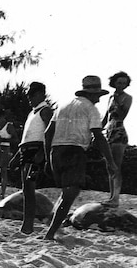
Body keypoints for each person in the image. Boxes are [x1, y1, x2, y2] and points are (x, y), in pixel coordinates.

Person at [43, 75, 118, 241]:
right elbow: (99, 136)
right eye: (98, 96)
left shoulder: (63, 106)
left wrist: (48, 158)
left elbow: (48, 133)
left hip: (56, 151)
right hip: (74, 152)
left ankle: (52, 222)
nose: (98, 100)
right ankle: (50, 233)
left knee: (66, 192)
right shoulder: (90, 109)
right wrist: (110, 161)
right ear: (92, 94)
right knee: (71, 193)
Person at [15, 82, 54, 234]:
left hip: (35, 151)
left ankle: (28, 225)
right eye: (29, 95)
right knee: (26, 189)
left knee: (30, 188)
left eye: (33, 94)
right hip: (26, 151)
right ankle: (27, 224)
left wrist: (43, 153)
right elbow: (27, 136)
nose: (30, 98)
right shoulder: (32, 113)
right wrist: (17, 156)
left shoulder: (45, 111)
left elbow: (50, 132)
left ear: (41, 94)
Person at [101, 71, 132, 207]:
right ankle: (111, 196)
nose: (121, 86)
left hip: (119, 132)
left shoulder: (127, 97)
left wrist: (118, 99)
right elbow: (106, 117)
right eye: (119, 83)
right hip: (109, 132)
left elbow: (121, 114)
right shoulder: (110, 97)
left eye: (124, 83)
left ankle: (116, 198)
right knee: (109, 166)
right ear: (114, 82)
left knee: (116, 166)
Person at [0, 108, 18, 199]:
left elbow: (16, 139)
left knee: (4, 171)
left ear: (4, 116)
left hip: (5, 149)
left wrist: (3, 139)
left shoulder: (9, 126)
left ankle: (2, 193)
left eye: (0, 116)